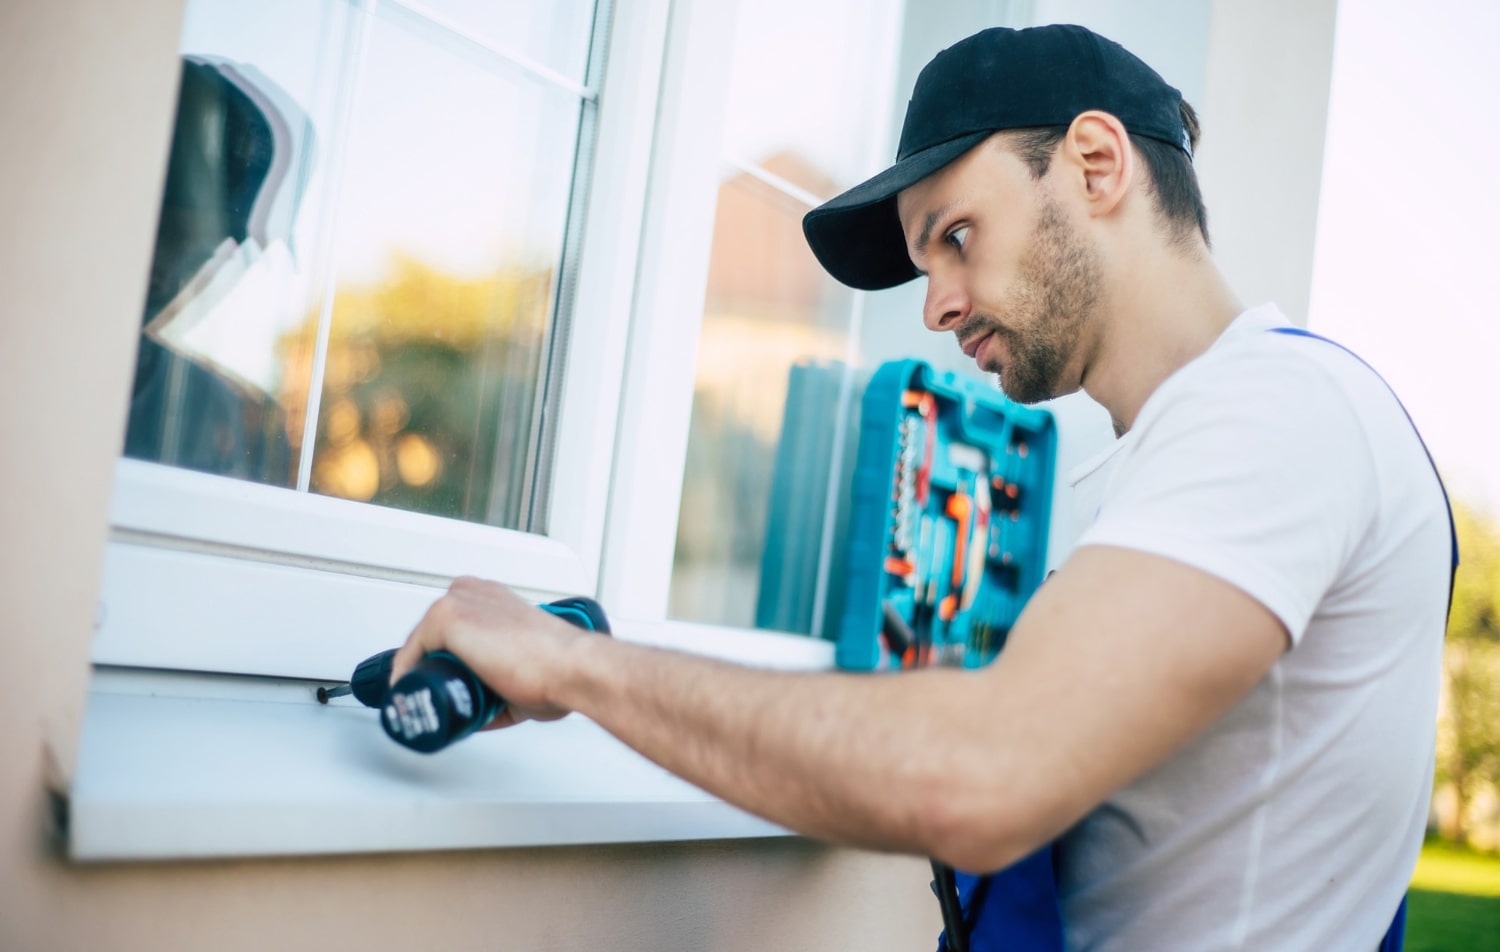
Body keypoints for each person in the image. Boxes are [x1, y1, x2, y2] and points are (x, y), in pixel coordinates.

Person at [391, 24, 1452, 950]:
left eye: (955, 237)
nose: (937, 308)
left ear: (1094, 163)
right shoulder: (1176, 453)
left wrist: (575, 664)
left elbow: (985, 773)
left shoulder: (1276, 412)